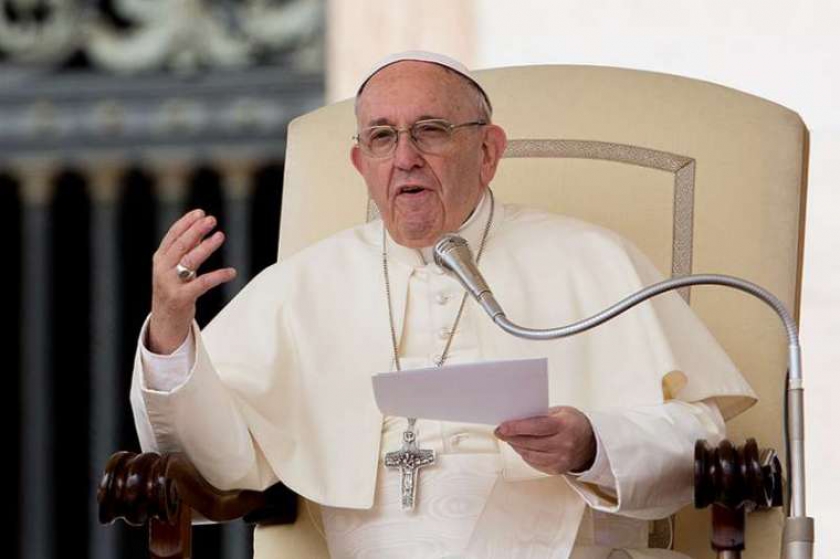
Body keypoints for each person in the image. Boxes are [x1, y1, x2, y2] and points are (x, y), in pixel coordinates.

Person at [130, 52, 755, 558]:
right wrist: (171, 334)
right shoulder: (300, 285)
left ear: (488, 152)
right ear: (360, 163)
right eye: (381, 137)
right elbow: (219, 459)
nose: (405, 156)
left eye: (430, 131)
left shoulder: (589, 257)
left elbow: (700, 436)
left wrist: (592, 445)